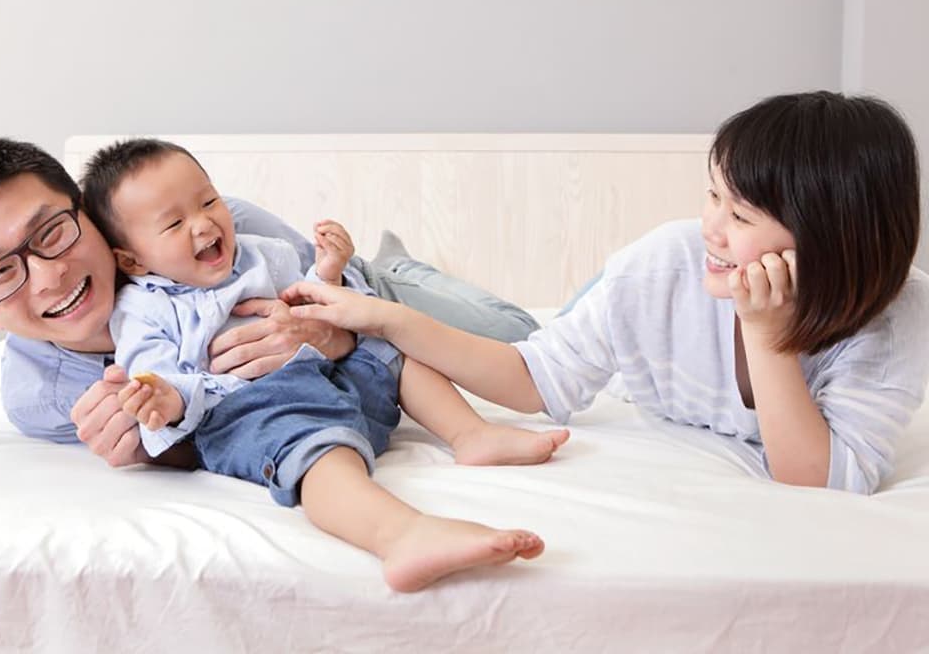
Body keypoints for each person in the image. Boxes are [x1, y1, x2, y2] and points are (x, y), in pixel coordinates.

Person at [280, 91, 929, 495]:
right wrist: (385, 316)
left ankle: (404, 275)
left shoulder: (897, 316)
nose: (712, 226)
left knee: (505, 324)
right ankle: (396, 274)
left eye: (739, 217)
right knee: (505, 332)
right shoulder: (664, 265)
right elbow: (530, 380)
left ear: (830, 241)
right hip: (630, 288)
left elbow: (816, 480)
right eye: (712, 196)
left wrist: (766, 333)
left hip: (654, 303)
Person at [76, 139, 559, 591]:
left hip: (329, 374)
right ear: (133, 261)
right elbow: (154, 377)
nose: (203, 225)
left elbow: (314, 302)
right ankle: (400, 534)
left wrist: (328, 269)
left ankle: (469, 433)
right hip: (250, 408)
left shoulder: (263, 252)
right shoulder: (142, 308)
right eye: (174, 224)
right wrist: (167, 396)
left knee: (387, 343)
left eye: (208, 202)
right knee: (313, 449)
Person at [0, 137, 538, 469]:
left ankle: (402, 259)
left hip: (362, 288)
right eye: (1, 273)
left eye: (52, 232)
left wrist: (328, 333)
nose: (47, 276)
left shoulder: (217, 232)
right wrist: (157, 452)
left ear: (89, 215)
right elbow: (203, 430)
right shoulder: (37, 398)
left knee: (518, 337)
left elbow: (335, 298)